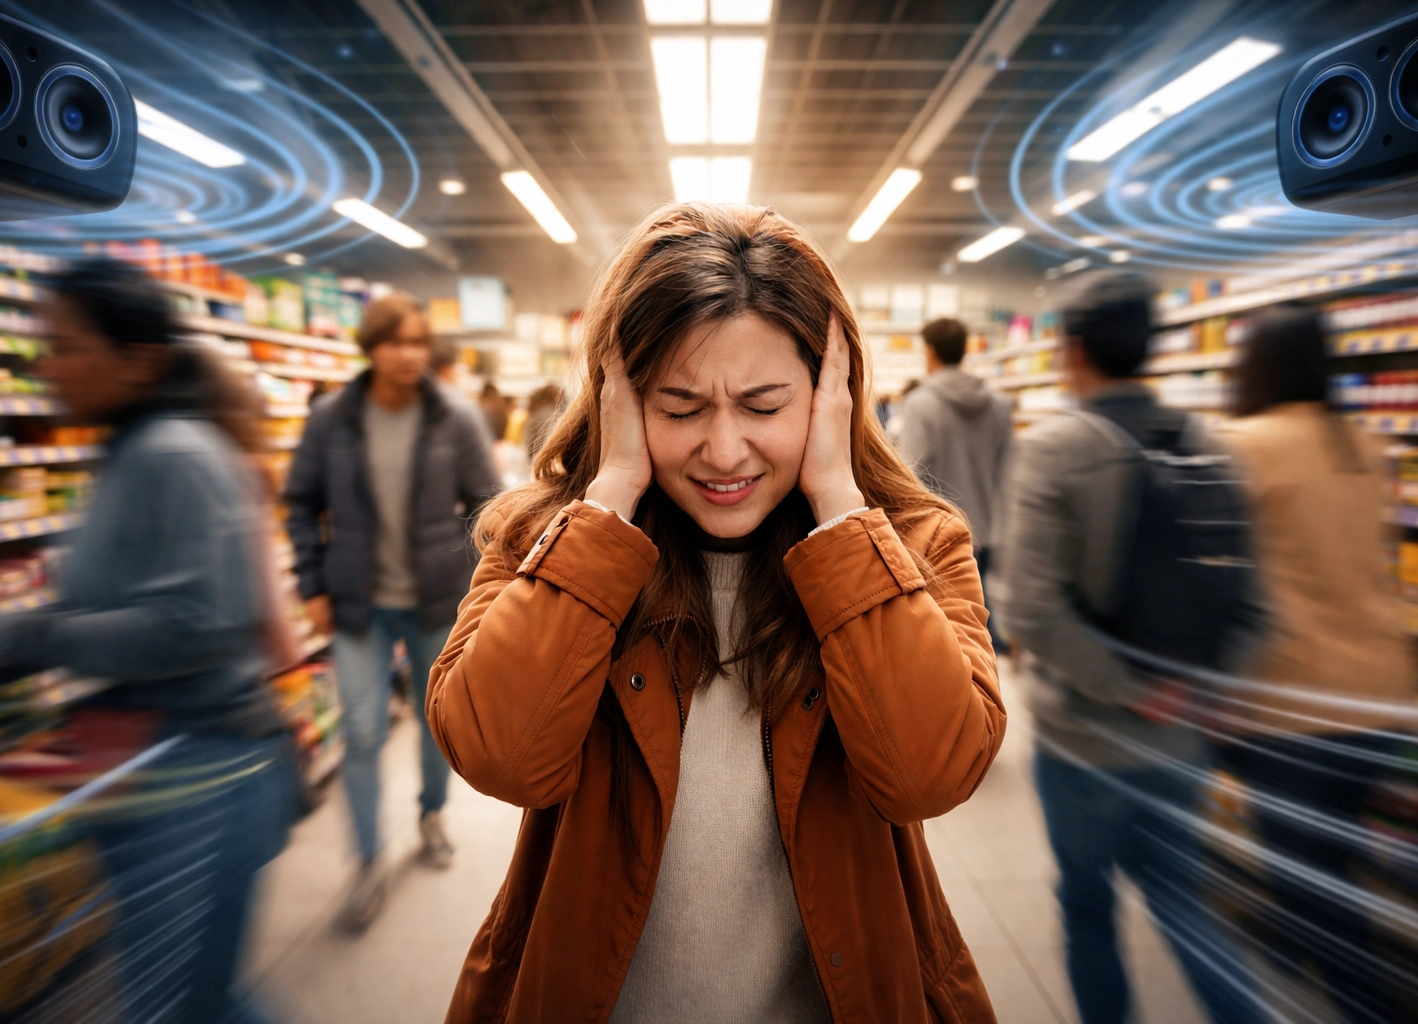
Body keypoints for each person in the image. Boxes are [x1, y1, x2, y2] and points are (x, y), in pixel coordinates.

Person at [425, 203, 1007, 1022]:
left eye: (765, 406)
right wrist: (608, 502)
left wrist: (840, 506)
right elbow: (499, 758)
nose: (725, 451)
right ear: (617, 396)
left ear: (831, 392)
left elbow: (928, 774)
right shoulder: (548, 541)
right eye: (680, 407)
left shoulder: (910, 548)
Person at [0, 257, 299, 1023]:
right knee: (194, 1000)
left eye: (67, 346)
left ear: (139, 358)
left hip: (204, 772)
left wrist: (23, 635)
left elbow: (199, 623)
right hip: (156, 764)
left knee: (180, 1004)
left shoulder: (173, 454)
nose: (47, 367)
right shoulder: (128, 452)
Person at [994, 271, 1264, 1024]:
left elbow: (1030, 611)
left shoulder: (1055, 447)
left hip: (1086, 740)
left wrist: (1131, 688)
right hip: (1182, 740)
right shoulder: (1208, 443)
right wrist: (1211, 690)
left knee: (1087, 905)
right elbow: (1255, 603)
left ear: (1072, 349)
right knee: (1185, 905)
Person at [1216, 305, 1418, 1024]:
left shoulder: (1246, 443)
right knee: (1326, 859)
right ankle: (1290, 952)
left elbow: (1223, 578)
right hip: (1384, 693)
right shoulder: (1364, 441)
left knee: (1315, 885)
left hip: (1296, 699)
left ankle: (1359, 1002)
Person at [283, 292, 501, 929]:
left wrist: (479, 586)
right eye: (396, 341)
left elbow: (488, 503)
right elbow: (298, 503)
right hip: (358, 602)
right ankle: (368, 862)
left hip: (436, 599)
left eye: (418, 342)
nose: (410, 354)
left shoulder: (454, 419)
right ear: (371, 347)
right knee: (364, 730)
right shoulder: (331, 419)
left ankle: (431, 815)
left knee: (438, 719)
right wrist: (312, 586)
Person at [899, 317, 1014, 649]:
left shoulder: (921, 403)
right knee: (982, 613)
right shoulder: (999, 405)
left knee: (949, 626)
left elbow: (909, 469)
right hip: (989, 526)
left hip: (941, 532)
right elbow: (1009, 468)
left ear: (930, 351)